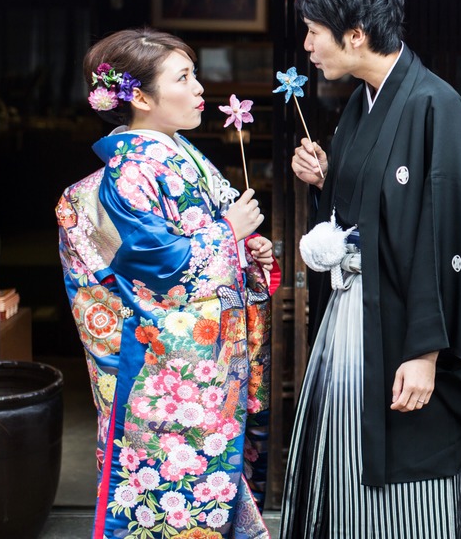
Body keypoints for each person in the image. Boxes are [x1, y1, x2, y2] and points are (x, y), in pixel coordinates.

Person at [280, 0, 461, 539]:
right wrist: (326, 181)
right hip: (356, 318)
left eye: (314, 32)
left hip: (407, 329)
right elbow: (366, 216)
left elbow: (447, 235)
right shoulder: (362, 101)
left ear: (355, 35)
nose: (307, 46)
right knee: (348, 465)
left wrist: (426, 353)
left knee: (412, 478)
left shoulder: (435, 104)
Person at [56, 27, 276, 539]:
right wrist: (227, 235)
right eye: (183, 77)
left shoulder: (180, 154)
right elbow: (156, 265)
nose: (200, 88)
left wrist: (248, 250)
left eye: (194, 74)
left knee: (215, 482)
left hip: (212, 356)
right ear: (139, 97)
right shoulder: (131, 171)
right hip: (170, 364)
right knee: (175, 484)